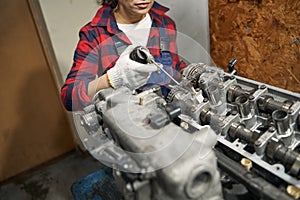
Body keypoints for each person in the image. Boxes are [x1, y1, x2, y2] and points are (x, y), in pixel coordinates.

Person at [61, 0, 187, 111]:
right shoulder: (95, 35)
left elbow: (174, 65)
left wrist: (189, 73)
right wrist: (111, 79)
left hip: (171, 117)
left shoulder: (165, 23)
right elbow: (69, 98)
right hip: (128, 126)